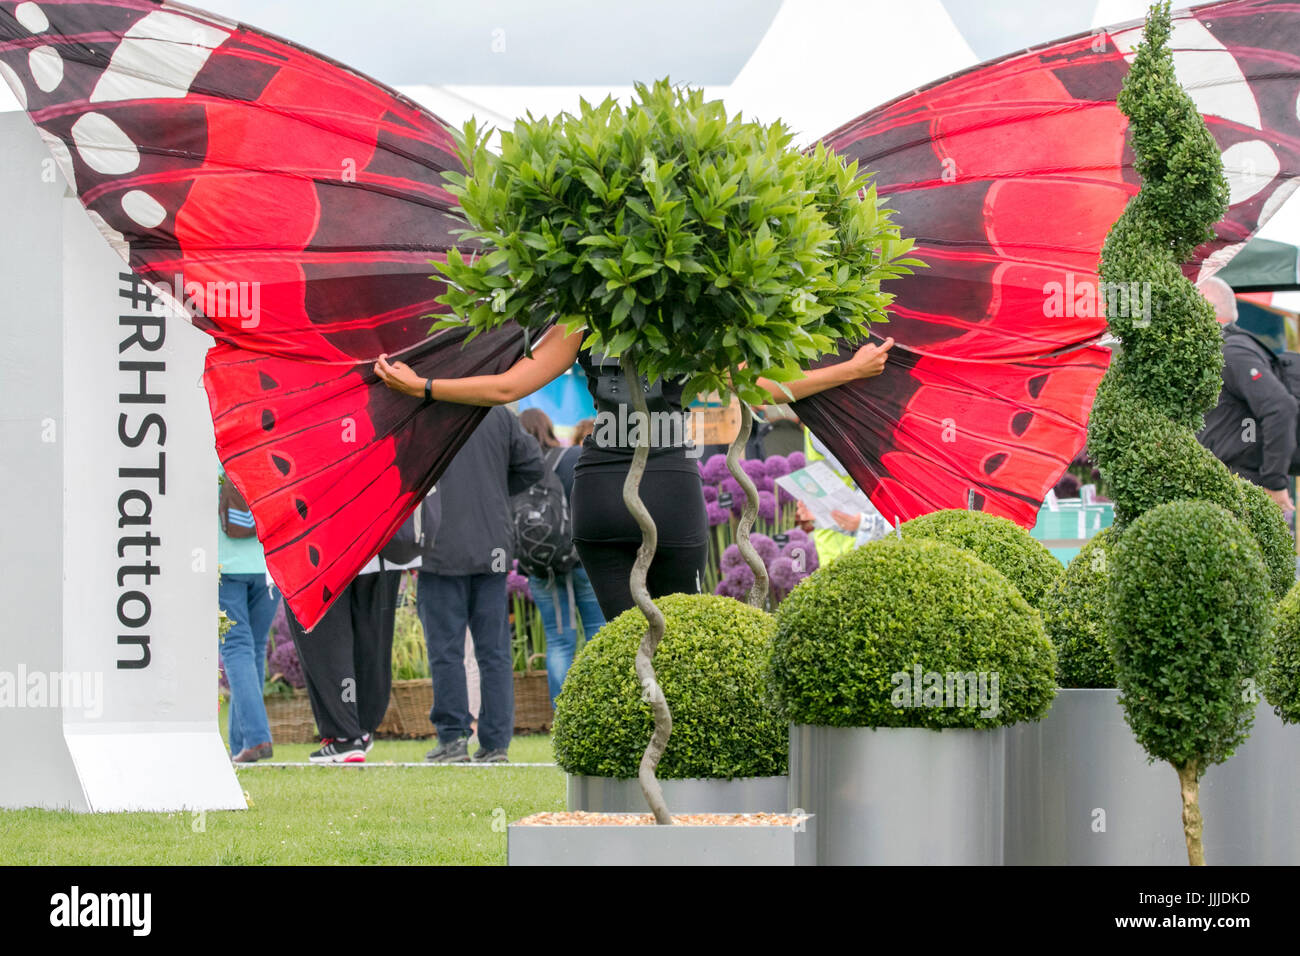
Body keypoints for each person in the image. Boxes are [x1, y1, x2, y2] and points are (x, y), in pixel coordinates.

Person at [375, 327, 894, 619]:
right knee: (676, 633)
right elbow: (762, 387)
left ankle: (625, 782)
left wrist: (424, 386)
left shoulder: (584, 314)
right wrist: (852, 369)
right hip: (669, 482)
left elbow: (507, 388)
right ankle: (675, 777)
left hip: (600, 487)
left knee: (626, 638)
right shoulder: (694, 316)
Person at [417, 406, 544, 764]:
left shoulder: (428, 413)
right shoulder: (498, 415)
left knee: (446, 650)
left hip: (440, 546)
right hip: (492, 544)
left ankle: (453, 738)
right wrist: (496, 488)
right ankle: (496, 743)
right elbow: (533, 462)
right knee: (494, 652)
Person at [516, 408, 606, 706]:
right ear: (549, 428)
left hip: (540, 566)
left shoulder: (515, 469)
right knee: (598, 632)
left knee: (558, 641)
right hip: (582, 558)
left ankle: (564, 716)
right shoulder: (570, 458)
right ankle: (600, 708)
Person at [287, 552, 414, 763]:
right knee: (371, 640)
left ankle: (345, 734)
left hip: (318, 550)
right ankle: (361, 727)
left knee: (327, 644)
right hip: (379, 546)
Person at [1196, 277, 1298, 514]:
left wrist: (1274, 483)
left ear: (1206, 308)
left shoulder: (1232, 351)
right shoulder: (1215, 353)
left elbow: (1280, 406)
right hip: (1230, 486)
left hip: (1247, 489)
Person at [217, 469, 281, 764]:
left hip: (226, 565)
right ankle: (241, 744)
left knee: (236, 648)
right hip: (269, 566)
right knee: (252, 650)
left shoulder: (214, 452)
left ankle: (257, 738)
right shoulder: (265, 447)